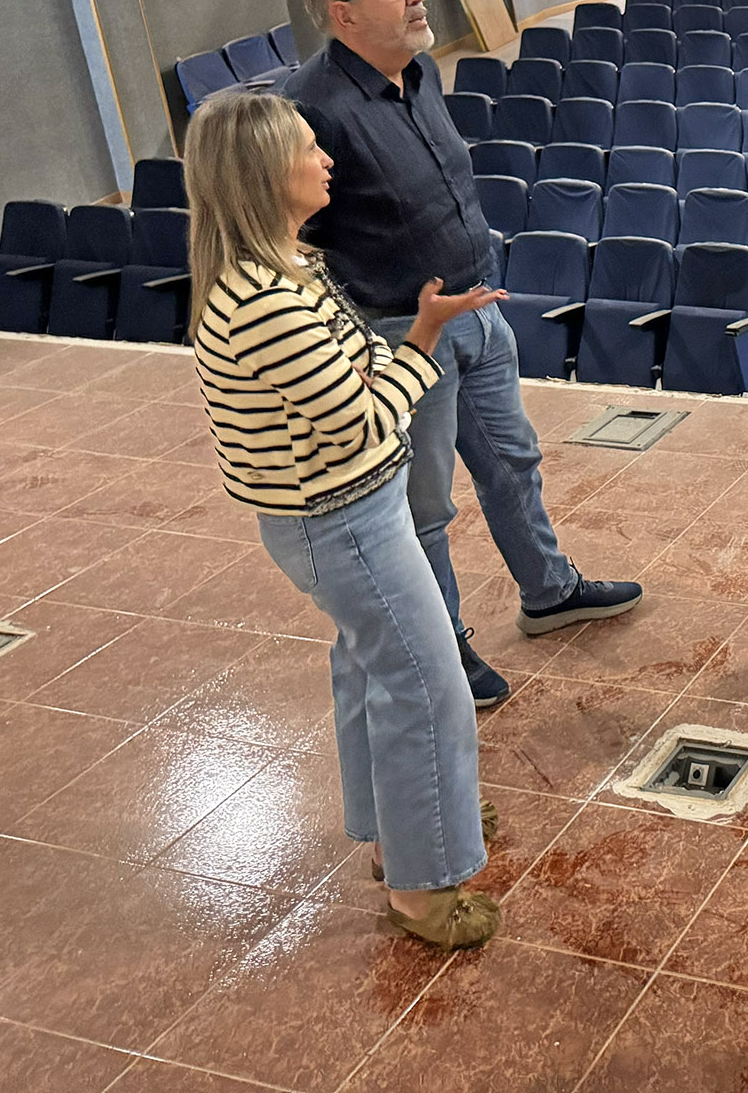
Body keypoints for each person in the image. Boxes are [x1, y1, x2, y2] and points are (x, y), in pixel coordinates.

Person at [286, 0, 642, 708]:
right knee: (425, 506)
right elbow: (295, 232)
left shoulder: (420, 72)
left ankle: (548, 591)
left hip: (477, 310)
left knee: (513, 462)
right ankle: (441, 642)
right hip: (399, 334)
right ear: (343, 13)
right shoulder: (310, 106)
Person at [186, 92, 502, 949]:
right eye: (305, 149)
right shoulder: (268, 304)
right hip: (343, 522)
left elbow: (361, 371)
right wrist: (426, 345)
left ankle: (403, 833)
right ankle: (425, 891)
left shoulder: (293, 266)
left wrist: (395, 358)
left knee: (371, 671)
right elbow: (364, 417)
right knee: (426, 687)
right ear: (262, 176)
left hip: (345, 512)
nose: (326, 159)